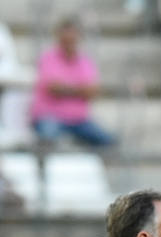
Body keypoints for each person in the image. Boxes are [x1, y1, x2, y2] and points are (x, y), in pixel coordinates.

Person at [30, 17, 113, 147]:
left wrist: (67, 89)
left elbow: (93, 91)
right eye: (65, 40)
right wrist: (81, 90)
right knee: (47, 138)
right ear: (58, 38)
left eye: (72, 40)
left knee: (108, 140)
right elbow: (54, 88)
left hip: (79, 120)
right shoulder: (48, 58)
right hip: (50, 117)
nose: (69, 44)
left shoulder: (86, 61)